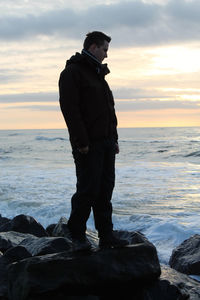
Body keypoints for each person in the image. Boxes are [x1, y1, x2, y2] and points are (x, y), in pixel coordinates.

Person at [59, 31, 128, 250]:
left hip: (106, 142)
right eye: (105, 50)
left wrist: (114, 139)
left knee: (105, 190)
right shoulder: (73, 72)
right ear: (93, 47)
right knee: (88, 189)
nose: (107, 55)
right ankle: (76, 234)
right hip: (88, 145)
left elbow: (109, 110)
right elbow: (70, 110)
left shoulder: (99, 75)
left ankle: (106, 236)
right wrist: (82, 142)